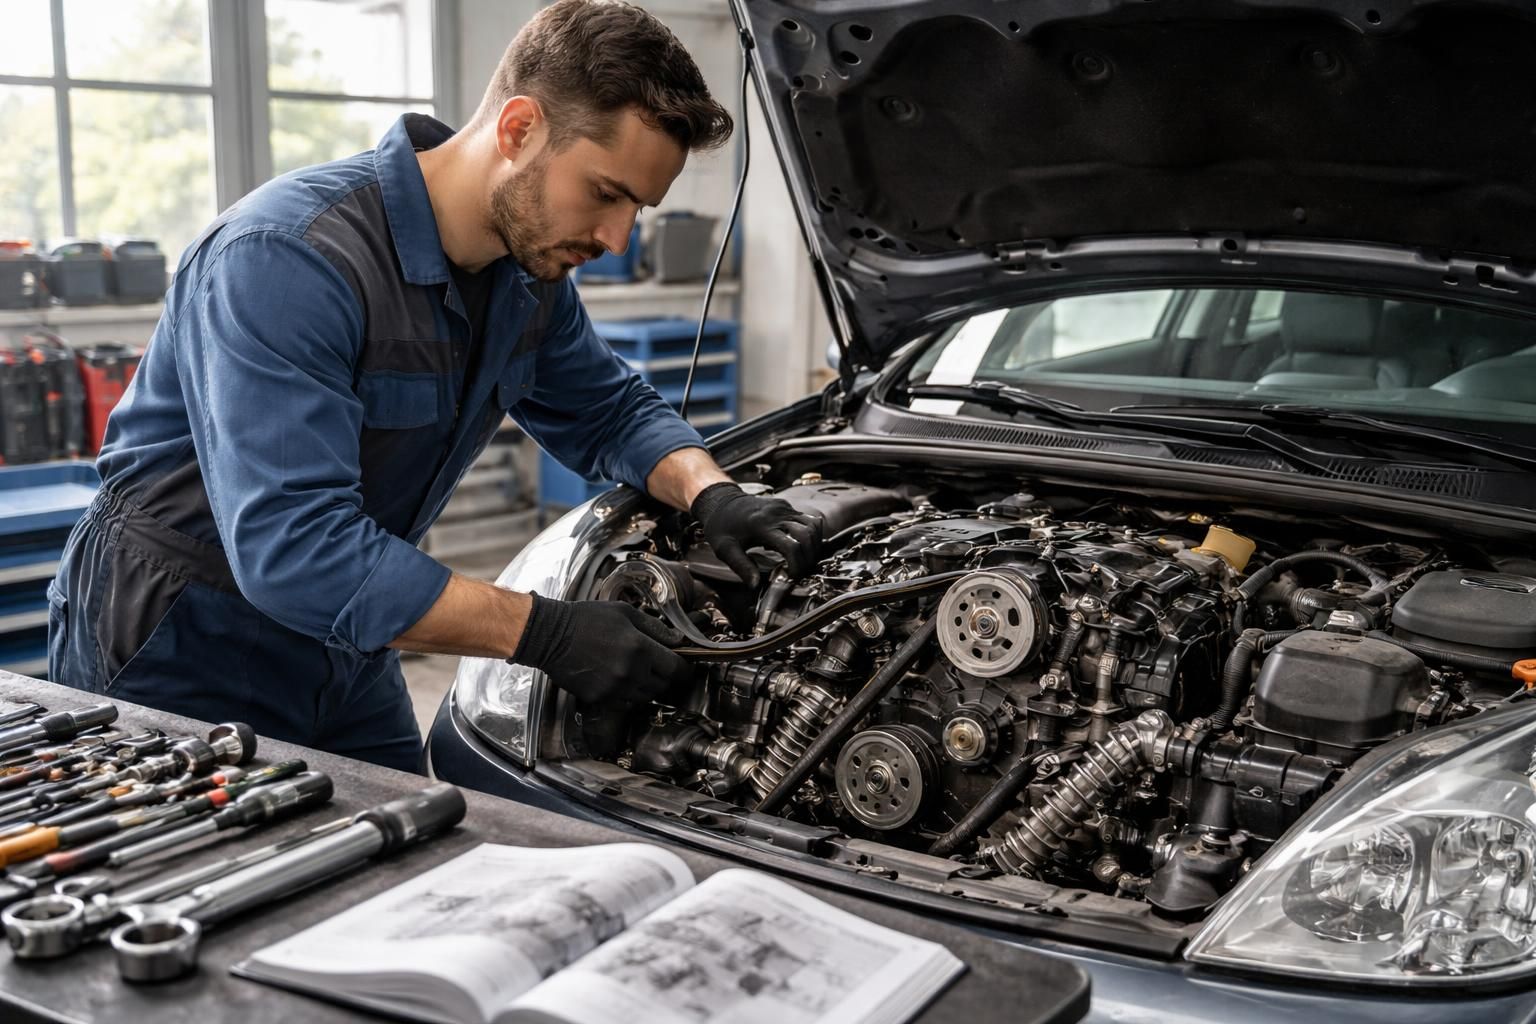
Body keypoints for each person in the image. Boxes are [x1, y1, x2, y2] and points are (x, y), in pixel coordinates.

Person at [45, 0, 818, 772]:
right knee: (195, 880)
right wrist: (544, 633)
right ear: (519, 130)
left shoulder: (525, 277)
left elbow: (608, 409)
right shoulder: (288, 259)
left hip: (355, 632)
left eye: (638, 210)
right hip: (184, 640)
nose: (616, 240)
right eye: (606, 194)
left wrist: (715, 495)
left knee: (413, 855)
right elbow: (296, 548)